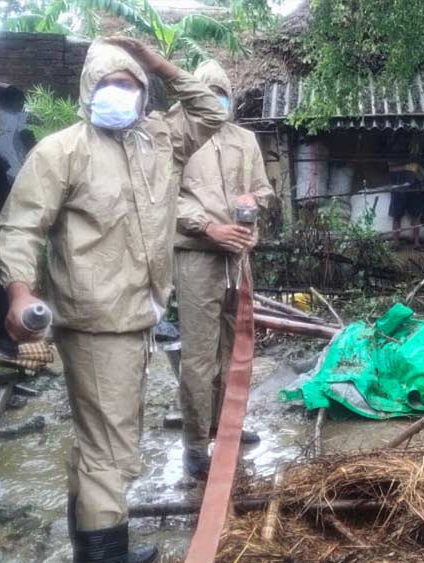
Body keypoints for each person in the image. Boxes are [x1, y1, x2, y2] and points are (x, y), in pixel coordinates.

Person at [0, 38, 226, 563]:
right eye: (109, 83)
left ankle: (92, 548)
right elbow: (21, 227)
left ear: (144, 93)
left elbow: (213, 111)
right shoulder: (62, 151)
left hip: (139, 315)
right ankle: (107, 555)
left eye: (130, 85)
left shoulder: (159, 141)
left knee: (100, 441)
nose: (120, 93)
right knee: (111, 451)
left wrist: (159, 65)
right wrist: (20, 291)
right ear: (88, 89)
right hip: (94, 322)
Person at [170, 60, 274, 480]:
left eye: (222, 93)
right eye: (207, 93)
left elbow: (262, 190)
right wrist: (207, 226)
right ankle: (196, 444)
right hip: (197, 255)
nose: (216, 101)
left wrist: (252, 208)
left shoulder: (244, 140)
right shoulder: (176, 137)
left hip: (238, 257)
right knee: (199, 356)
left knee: (236, 349)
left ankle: (227, 426)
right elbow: (164, 196)